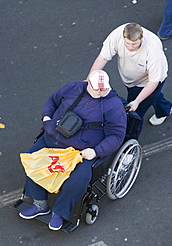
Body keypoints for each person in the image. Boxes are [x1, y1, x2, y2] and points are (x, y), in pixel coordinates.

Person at [19, 70, 127, 230]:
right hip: (52, 138)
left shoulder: (114, 106)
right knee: (31, 162)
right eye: (96, 88)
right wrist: (46, 118)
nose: (100, 92)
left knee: (78, 180)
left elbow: (116, 136)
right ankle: (40, 204)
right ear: (88, 83)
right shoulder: (74, 87)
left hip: (79, 151)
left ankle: (60, 212)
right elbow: (52, 100)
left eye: (103, 89)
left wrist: (95, 152)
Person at [88, 23, 172, 138]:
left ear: (142, 38)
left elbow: (153, 82)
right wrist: (89, 80)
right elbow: (103, 58)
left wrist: (137, 102)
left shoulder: (153, 50)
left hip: (147, 82)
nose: (130, 47)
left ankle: (130, 144)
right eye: (127, 43)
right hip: (131, 80)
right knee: (153, 97)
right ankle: (165, 109)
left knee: (133, 116)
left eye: (134, 44)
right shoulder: (117, 35)